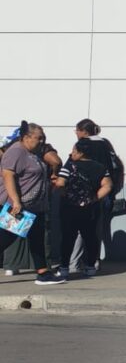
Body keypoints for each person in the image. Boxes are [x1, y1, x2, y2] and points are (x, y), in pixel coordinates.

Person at [0, 122, 65, 285]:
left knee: (37, 239)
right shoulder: (16, 151)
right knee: (5, 239)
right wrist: (16, 200)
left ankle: (43, 273)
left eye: (43, 138)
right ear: (26, 137)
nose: (42, 141)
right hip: (19, 206)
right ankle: (43, 272)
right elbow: (8, 176)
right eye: (39, 138)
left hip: (36, 206)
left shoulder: (33, 153)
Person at [55, 139, 113, 279]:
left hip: (70, 208)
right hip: (90, 208)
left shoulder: (69, 166)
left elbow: (60, 184)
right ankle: (90, 266)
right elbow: (108, 186)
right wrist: (94, 198)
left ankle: (64, 267)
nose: (71, 153)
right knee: (90, 238)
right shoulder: (100, 167)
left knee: (68, 238)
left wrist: (67, 196)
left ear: (80, 153)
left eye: (74, 151)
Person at [71, 119, 123, 275]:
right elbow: (116, 166)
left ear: (83, 131)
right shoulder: (106, 144)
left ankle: (74, 263)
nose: (76, 133)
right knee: (97, 228)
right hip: (105, 192)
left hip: (84, 192)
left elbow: (72, 165)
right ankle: (93, 261)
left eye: (77, 130)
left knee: (79, 229)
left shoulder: (83, 144)